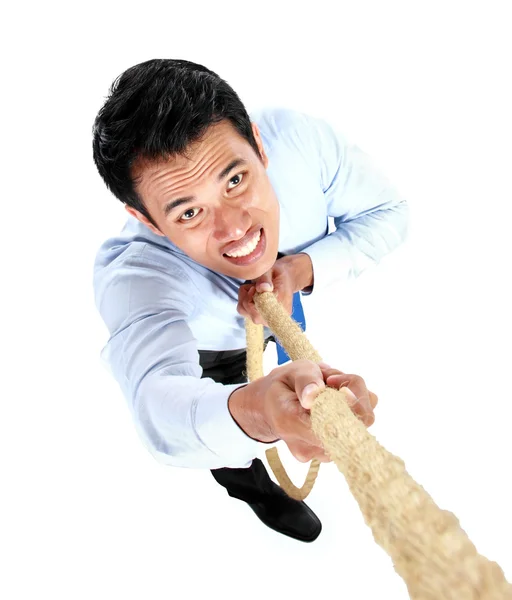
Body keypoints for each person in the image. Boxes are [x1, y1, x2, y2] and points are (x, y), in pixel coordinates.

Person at [92, 58, 409, 543]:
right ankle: (254, 489)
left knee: (279, 388)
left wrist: (302, 268)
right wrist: (256, 414)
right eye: (190, 212)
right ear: (149, 221)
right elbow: (160, 407)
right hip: (208, 353)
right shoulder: (137, 277)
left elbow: (388, 212)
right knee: (226, 440)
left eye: (235, 181)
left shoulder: (301, 143)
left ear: (259, 146)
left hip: (279, 319)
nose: (235, 228)